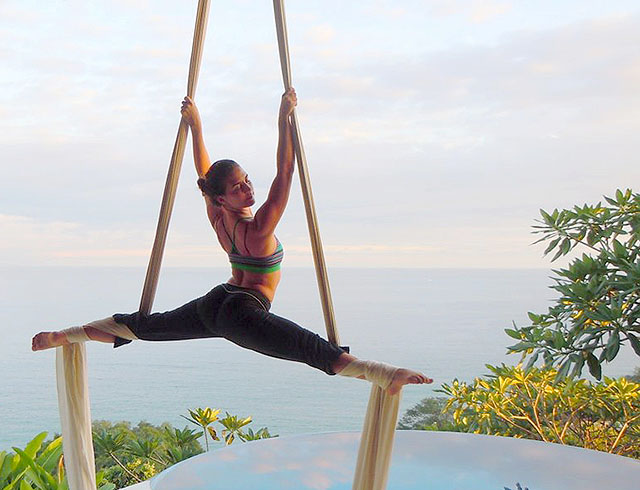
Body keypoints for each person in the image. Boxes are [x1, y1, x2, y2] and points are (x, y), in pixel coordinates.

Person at [32, 89, 432, 395]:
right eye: (238, 188)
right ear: (222, 197)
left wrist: (196, 126)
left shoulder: (217, 215)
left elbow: (205, 173)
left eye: (246, 181)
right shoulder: (258, 228)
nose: (247, 189)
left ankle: (63, 335)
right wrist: (284, 120)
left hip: (217, 302)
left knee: (146, 328)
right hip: (242, 310)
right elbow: (286, 172)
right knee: (309, 349)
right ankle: (385, 374)